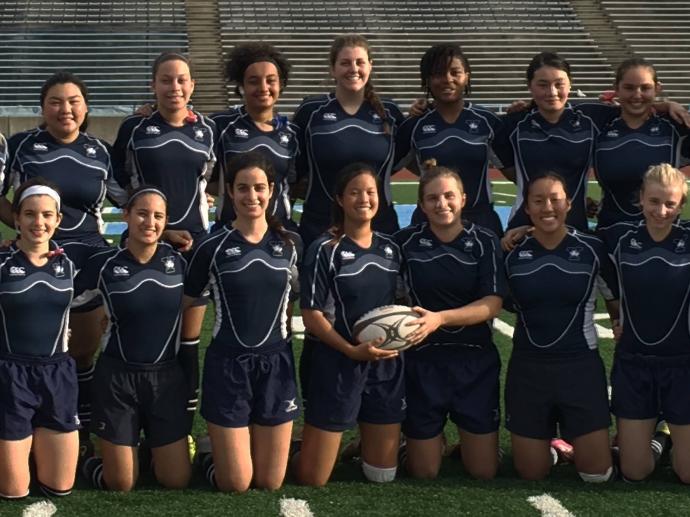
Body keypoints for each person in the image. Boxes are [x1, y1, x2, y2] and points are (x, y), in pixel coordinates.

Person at [1, 71, 128, 449]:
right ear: (43, 107)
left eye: (73, 101)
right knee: (30, 349)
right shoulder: (21, 145)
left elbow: (127, 200)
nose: (65, 109)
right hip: (33, 258)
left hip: (87, 258)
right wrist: (26, 234)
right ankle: (25, 425)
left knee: (83, 353)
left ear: (85, 107)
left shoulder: (101, 151)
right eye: (55, 101)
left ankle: (80, 430)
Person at [112, 52, 217, 433]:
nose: (174, 87)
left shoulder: (207, 129)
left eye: (181, 80)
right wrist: (152, 224)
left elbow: (210, 178)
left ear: (192, 86)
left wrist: (205, 202)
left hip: (195, 247)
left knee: (188, 341)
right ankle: (134, 424)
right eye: (166, 80)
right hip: (147, 246)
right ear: (153, 85)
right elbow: (114, 182)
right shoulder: (135, 129)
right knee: (145, 333)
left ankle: (180, 429)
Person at [186, 152, 300, 492]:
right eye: (243, 188)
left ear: (273, 190)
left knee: (270, 482)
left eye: (260, 188)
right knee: (236, 483)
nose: (252, 196)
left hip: (276, 366)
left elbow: (292, 301)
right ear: (230, 193)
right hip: (228, 367)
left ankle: (236, 445)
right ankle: (211, 455)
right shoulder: (212, 246)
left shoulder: (291, 245)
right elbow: (189, 302)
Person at [292, 163, 405, 487]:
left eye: (370, 192)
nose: (364, 199)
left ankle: (359, 445)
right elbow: (312, 315)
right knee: (312, 478)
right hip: (336, 361)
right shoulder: (325, 249)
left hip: (384, 365)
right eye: (354, 192)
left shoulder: (391, 248)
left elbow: (400, 303)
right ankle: (295, 445)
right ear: (340, 199)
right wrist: (351, 350)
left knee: (381, 475)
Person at [502, 172, 618, 482]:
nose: (547, 207)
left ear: (569, 204)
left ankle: (573, 440)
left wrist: (619, 327)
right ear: (527, 208)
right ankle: (553, 446)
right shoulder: (510, 254)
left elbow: (614, 299)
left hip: (579, 368)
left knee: (597, 475)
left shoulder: (593, 250)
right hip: (529, 369)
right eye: (538, 201)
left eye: (555, 199)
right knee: (531, 472)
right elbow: (498, 300)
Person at [493, 51, 690, 232]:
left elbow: (634, 106)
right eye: (542, 84)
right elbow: (511, 170)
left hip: (576, 228)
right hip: (523, 227)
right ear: (530, 86)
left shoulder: (590, 119)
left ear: (570, 84)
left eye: (559, 84)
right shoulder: (514, 123)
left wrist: (665, 104)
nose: (552, 92)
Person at [395, 160, 505, 480]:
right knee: (424, 472)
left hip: (474, 361)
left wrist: (439, 318)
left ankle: (468, 444)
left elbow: (492, 304)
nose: (442, 204)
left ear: (463, 199)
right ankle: (417, 444)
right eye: (432, 198)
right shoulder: (404, 243)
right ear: (421, 205)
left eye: (449, 196)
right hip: (422, 362)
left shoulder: (484, 241)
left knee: (484, 472)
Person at [75, 187, 190, 491]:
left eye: (158, 216)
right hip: (117, 380)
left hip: (165, 379)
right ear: (126, 214)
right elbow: (62, 294)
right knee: (121, 483)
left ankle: (151, 451)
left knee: (175, 480)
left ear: (166, 222)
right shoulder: (103, 263)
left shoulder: (180, 262)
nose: (149, 222)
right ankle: (86, 460)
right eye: (142, 213)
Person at [603, 164, 690, 484]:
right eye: (654, 201)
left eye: (670, 204)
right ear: (640, 199)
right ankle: (660, 440)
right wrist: (523, 230)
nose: (661, 211)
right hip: (634, 363)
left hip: (684, 366)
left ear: (681, 204)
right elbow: (563, 236)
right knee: (635, 471)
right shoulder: (618, 239)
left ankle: (667, 435)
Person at [0, 179, 79, 499]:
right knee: (14, 491)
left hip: (57, 376)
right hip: (10, 377)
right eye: (30, 214)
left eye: (47, 215)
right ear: (16, 218)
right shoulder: (2, 263)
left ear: (58, 220)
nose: (39, 222)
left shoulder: (71, 263)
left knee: (60, 488)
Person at [292, 33, 404, 249]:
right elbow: (294, 170)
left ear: (370, 66)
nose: (353, 69)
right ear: (332, 68)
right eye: (345, 63)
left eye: (360, 62)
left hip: (379, 227)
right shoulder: (311, 112)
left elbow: (406, 159)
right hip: (320, 227)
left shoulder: (390, 113)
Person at [395, 44, 504, 236]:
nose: (447, 79)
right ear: (427, 79)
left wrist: (525, 110)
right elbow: (385, 168)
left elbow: (518, 171)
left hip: (481, 223)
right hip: (428, 225)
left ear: (467, 75)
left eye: (455, 72)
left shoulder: (487, 121)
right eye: (438, 73)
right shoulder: (413, 125)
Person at [210, 42, 299, 230]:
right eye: (253, 81)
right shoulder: (220, 125)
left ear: (281, 84)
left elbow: (297, 184)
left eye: (271, 80)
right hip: (230, 233)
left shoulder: (292, 132)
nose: (263, 87)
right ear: (241, 85)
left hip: (281, 234)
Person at [594, 58, 690, 229]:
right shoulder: (598, 123)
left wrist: (667, 105)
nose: (637, 95)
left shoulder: (674, 124)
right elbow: (554, 109)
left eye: (645, 88)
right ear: (616, 89)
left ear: (657, 88)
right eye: (629, 88)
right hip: (611, 237)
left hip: (664, 241)